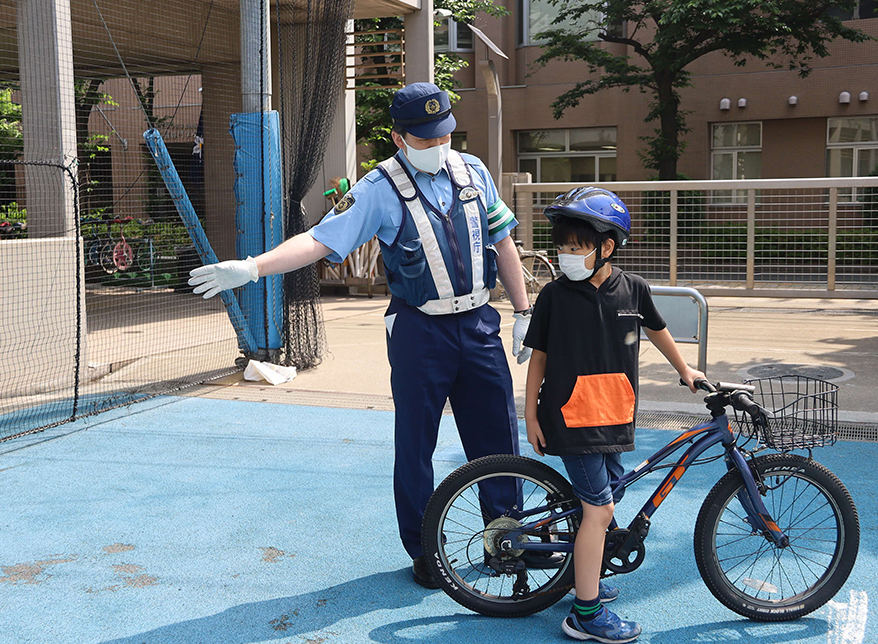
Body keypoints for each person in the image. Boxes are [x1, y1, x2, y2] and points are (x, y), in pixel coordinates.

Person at [188, 82, 552, 588]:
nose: (437, 146)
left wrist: (523, 310)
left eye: (443, 134)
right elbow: (318, 241)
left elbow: (502, 240)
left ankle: (504, 536)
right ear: (400, 139)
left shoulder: (474, 171)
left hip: (478, 323)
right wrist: (252, 267)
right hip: (420, 329)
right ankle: (427, 548)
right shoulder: (378, 189)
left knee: (496, 437)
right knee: (416, 443)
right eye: (424, 139)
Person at [522, 186, 705, 643]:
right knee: (600, 511)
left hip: (615, 416)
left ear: (606, 247)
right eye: (562, 246)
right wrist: (529, 415)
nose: (565, 255)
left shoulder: (634, 289)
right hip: (570, 417)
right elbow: (538, 358)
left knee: (605, 503)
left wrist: (685, 371)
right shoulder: (554, 296)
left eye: (576, 247)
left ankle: (582, 576)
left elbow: (659, 331)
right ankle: (585, 613)